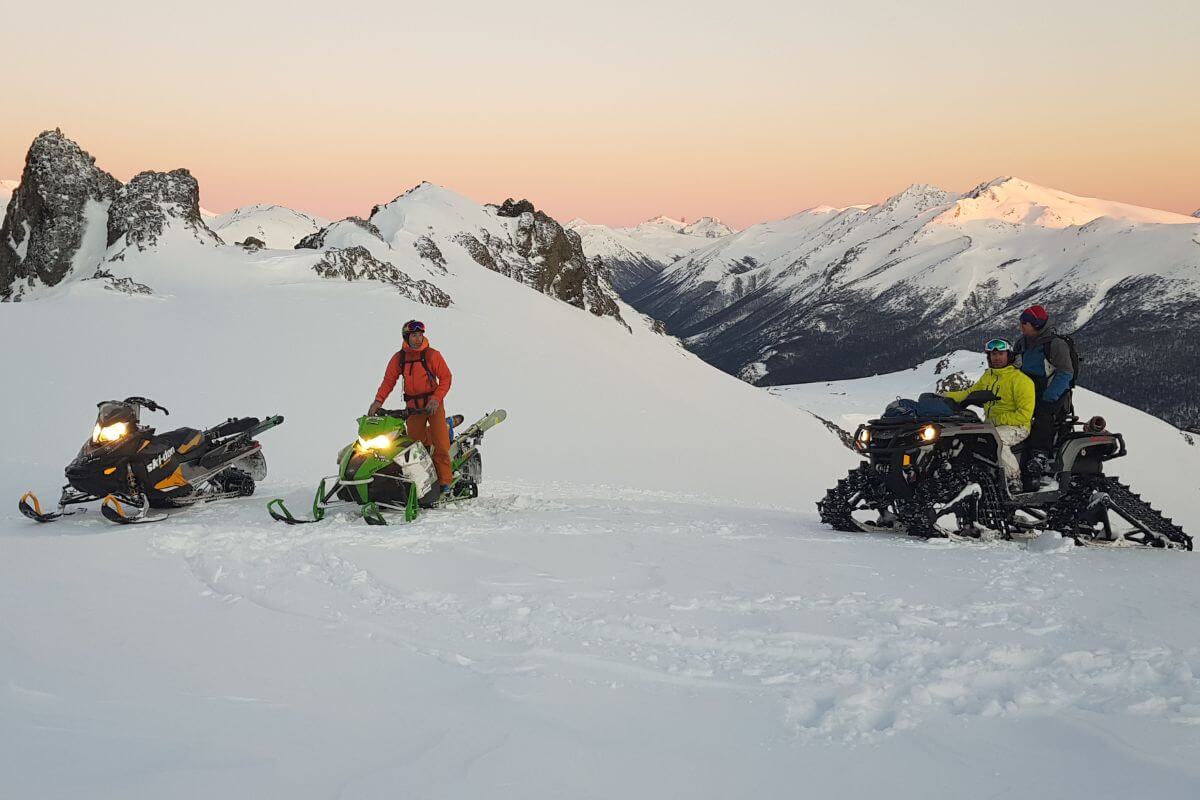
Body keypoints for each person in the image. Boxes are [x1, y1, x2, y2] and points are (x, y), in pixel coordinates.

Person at [368, 320, 454, 494]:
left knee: (442, 445)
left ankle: (445, 482)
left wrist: (436, 399)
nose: (418, 338)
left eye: (420, 335)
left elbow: (446, 378)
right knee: (415, 446)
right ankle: (421, 480)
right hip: (413, 408)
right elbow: (388, 381)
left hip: (433, 406)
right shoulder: (400, 358)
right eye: (414, 335)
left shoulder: (432, 355)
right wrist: (378, 401)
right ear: (406, 337)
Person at [942, 338, 1035, 491]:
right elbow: (969, 393)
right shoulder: (989, 377)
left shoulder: (1021, 380)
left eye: (1000, 354)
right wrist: (946, 397)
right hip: (991, 424)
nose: (996, 358)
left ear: (1009, 355)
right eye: (993, 354)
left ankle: (1013, 479)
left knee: (996, 438)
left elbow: (1024, 414)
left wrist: (996, 421)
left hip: (1017, 426)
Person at [1012, 304, 1074, 473]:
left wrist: (1049, 397)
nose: (1021, 325)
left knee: (1042, 415)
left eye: (1025, 323)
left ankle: (1040, 456)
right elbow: (1015, 366)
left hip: (1050, 391)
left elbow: (1066, 373)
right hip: (1025, 389)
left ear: (1036, 324)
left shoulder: (1055, 345)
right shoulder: (1021, 343)